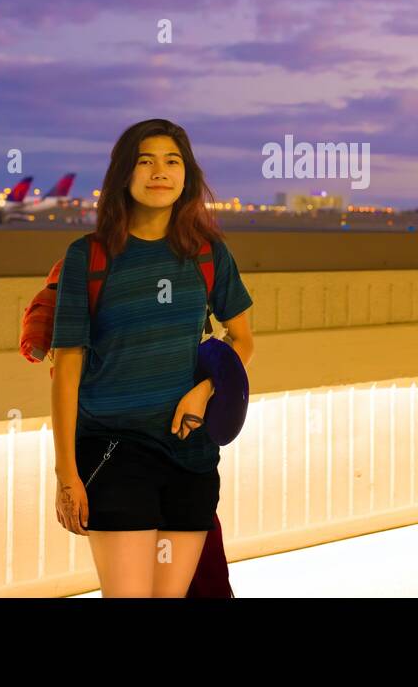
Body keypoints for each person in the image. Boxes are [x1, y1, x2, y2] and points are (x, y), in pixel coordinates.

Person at [49, 119, 254, 597]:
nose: (159, 172)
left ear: (187, 176)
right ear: (124, 174)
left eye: (172, 161)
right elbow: (66, 370)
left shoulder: (208, 254)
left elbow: (241, 339)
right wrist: (67, 476)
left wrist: (204, 392)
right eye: (145, 161)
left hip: (191, 452)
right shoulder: (90, 256)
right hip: (114, 450)